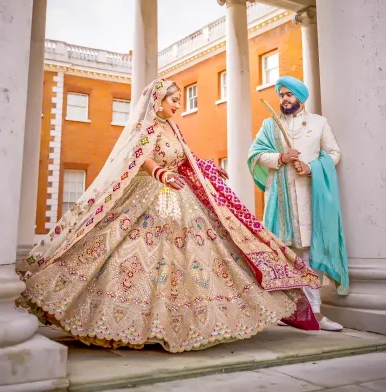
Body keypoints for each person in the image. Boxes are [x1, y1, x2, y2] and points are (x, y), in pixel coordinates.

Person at [17, 79, 320, 353]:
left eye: (178, 99)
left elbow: (185, 156)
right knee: (132, 250)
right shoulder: (146, 128)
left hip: (177, 192)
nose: (177, 104)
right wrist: (159, 173)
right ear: (158, 100)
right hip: (150, 192)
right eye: (173, 99)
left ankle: (181, 320)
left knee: (189, 252)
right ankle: (120, 321)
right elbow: (140, 157)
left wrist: (210, 169)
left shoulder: (173, 127)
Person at [248, 75, 349, 332]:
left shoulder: (318, 124)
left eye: (289, 95)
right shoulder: (270, 125)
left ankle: (315, 313)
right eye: (281, 95)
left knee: (311, 253)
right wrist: (280, 157)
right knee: (285, 253)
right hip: (281, 200)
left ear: (300, 98)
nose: (284, 99)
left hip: (310, 196)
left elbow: (334, 154)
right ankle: (288, 311)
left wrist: (311, 167)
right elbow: (255, 155)